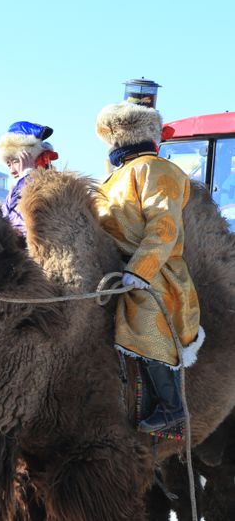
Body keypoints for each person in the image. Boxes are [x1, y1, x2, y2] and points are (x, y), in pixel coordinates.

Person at [95, 101, 202, 433]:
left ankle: (172, 409)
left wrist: (139, 271)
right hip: (113, 270)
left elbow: (164, 228)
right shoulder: (112, 178)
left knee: (145, 321)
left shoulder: (156, 170)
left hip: (155, 273)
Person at [0, 121, 59, 235]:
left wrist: (28, 177)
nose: (12, 170)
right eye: (8, 164)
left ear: (34, 159)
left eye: (15, 161)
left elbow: (21, 224)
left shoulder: (53, 186)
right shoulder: (15, 188)